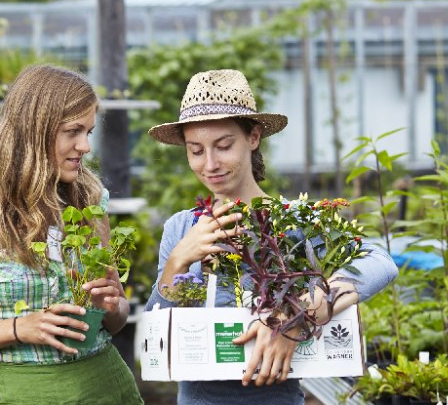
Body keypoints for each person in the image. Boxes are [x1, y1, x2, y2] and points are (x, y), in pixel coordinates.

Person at [144, 69, 399, 404]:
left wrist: (299, 316)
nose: (210, 164)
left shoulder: (293, 220)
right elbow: (156, 333)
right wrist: (178, 260)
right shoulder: (181, 228)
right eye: (195, 150)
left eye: (223, 146)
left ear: (253, 137)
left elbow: (379, 262)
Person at [0, 64, 143, 404]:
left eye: (89, 132)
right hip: (14, 394)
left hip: (106, 389)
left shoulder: (89, 203)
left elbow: (115, 320)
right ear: (34, 132)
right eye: (73, 131)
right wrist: (18, 328)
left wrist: (111, 304)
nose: (85, 146)